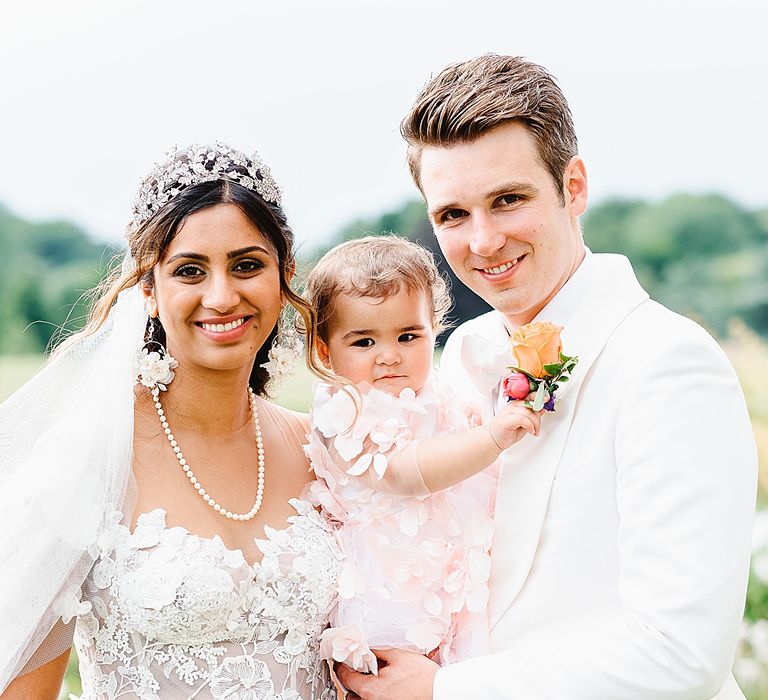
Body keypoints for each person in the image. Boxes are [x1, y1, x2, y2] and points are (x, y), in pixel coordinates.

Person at [335, 54, 758, 700]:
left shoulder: (670, 365)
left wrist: (444, 690)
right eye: (452, 215)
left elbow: (681, 654)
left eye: (507, 201)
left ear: (575, 187)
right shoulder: (461, 358)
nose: (482, 242)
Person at [0, 143, 342, 699]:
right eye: (189, 270)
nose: (221, 295)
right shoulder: (91, 459)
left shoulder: (322, 449)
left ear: (285, 277)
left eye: (247, 265)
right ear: (149, 290)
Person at [301, 236, 541, 676]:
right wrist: (491, 437)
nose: (389, 356)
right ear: (324, 349)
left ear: (435, 329)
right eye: (363, 342)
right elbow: (403, 472)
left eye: (408, 336)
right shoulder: (345, 411)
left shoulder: (440, 395)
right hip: (394, 600)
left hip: (455, 586)